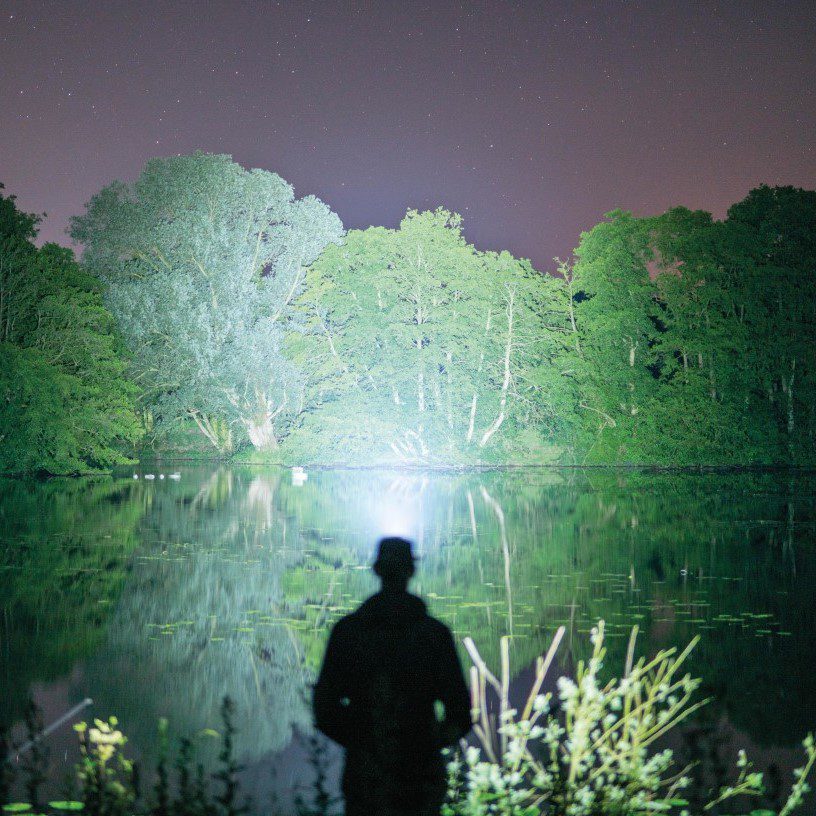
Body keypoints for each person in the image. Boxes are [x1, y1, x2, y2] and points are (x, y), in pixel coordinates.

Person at [313, 537, 471, 816]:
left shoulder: (348, 633)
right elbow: (459, 712)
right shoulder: (434, 635)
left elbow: (325, 709)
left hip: (365, 780)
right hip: (420, 781)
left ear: (376, 570)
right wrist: (425, 744)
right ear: (412, 571)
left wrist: (364, 742)